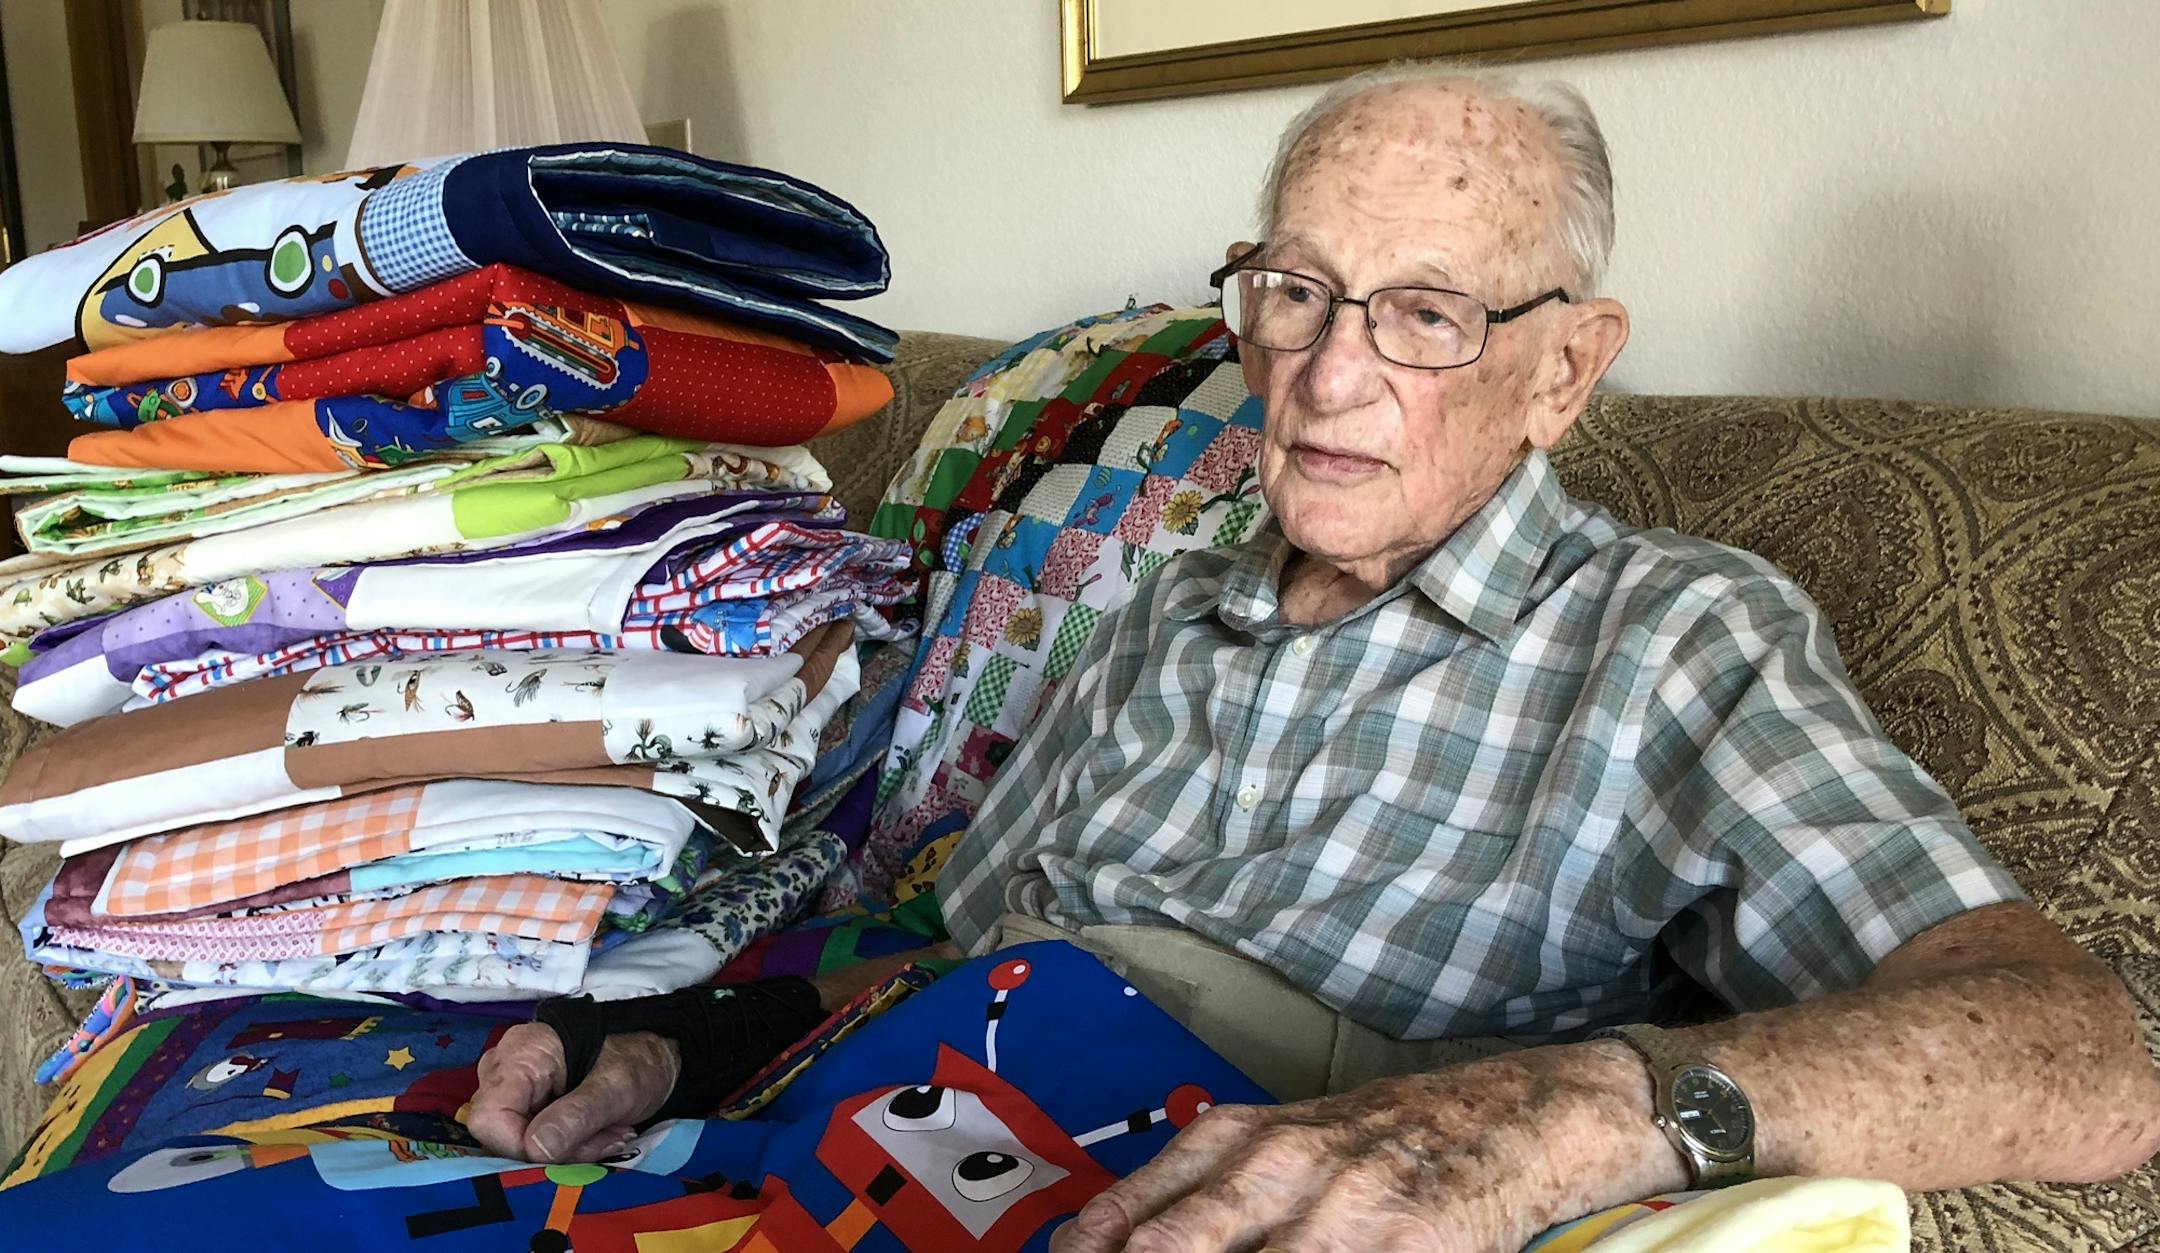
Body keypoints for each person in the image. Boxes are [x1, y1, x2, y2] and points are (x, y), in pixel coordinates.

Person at [467, 65, 2160, 1253]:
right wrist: (691, 1041)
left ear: (1565, 371)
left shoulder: (1672, 641)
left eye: (1427, 314)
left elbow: (2085, 1066)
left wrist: (1562, 1121)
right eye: (1294, 291)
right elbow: (954, 963)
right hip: (893, 1143)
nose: (1329, 374)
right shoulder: (1159, 607)